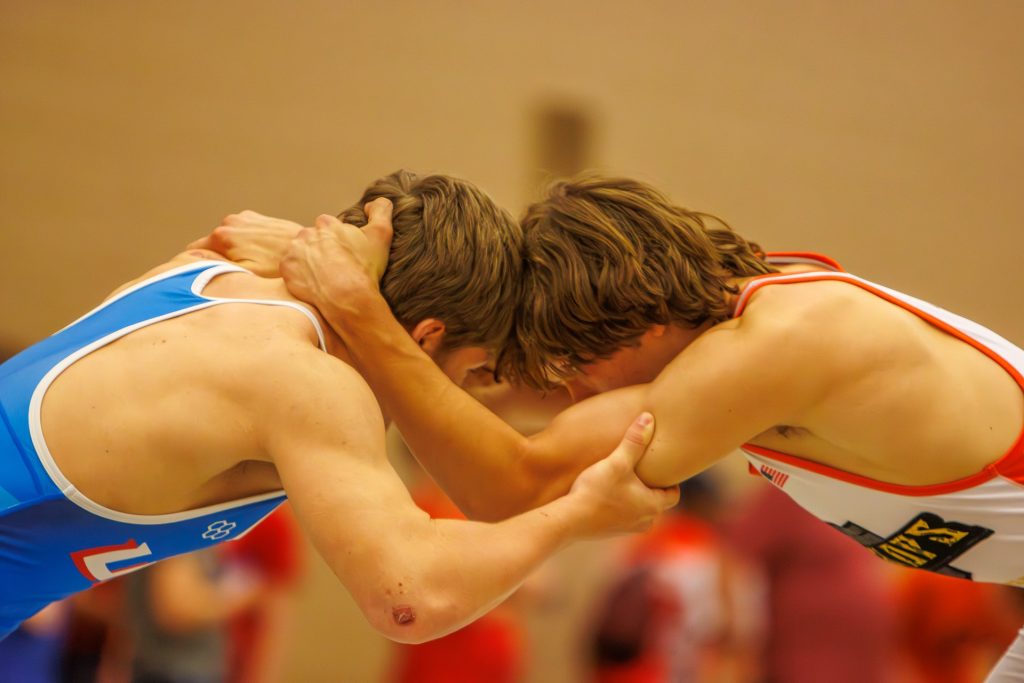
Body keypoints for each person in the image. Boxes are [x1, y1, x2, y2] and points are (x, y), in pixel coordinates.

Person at [251, 173, 1023, 680]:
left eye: (575, 372)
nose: (574, 396)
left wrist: (360, 311)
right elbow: (520, 464)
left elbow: (518, 489)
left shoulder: (786, 342)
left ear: (642, 328)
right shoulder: (729, 338)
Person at [0, 170, 679, 642]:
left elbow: (252, 237)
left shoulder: (214, 266)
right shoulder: (308, 381)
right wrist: (583, 512)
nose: (461, 401)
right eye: (473, 374)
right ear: (425, 336)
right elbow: (411, 599)